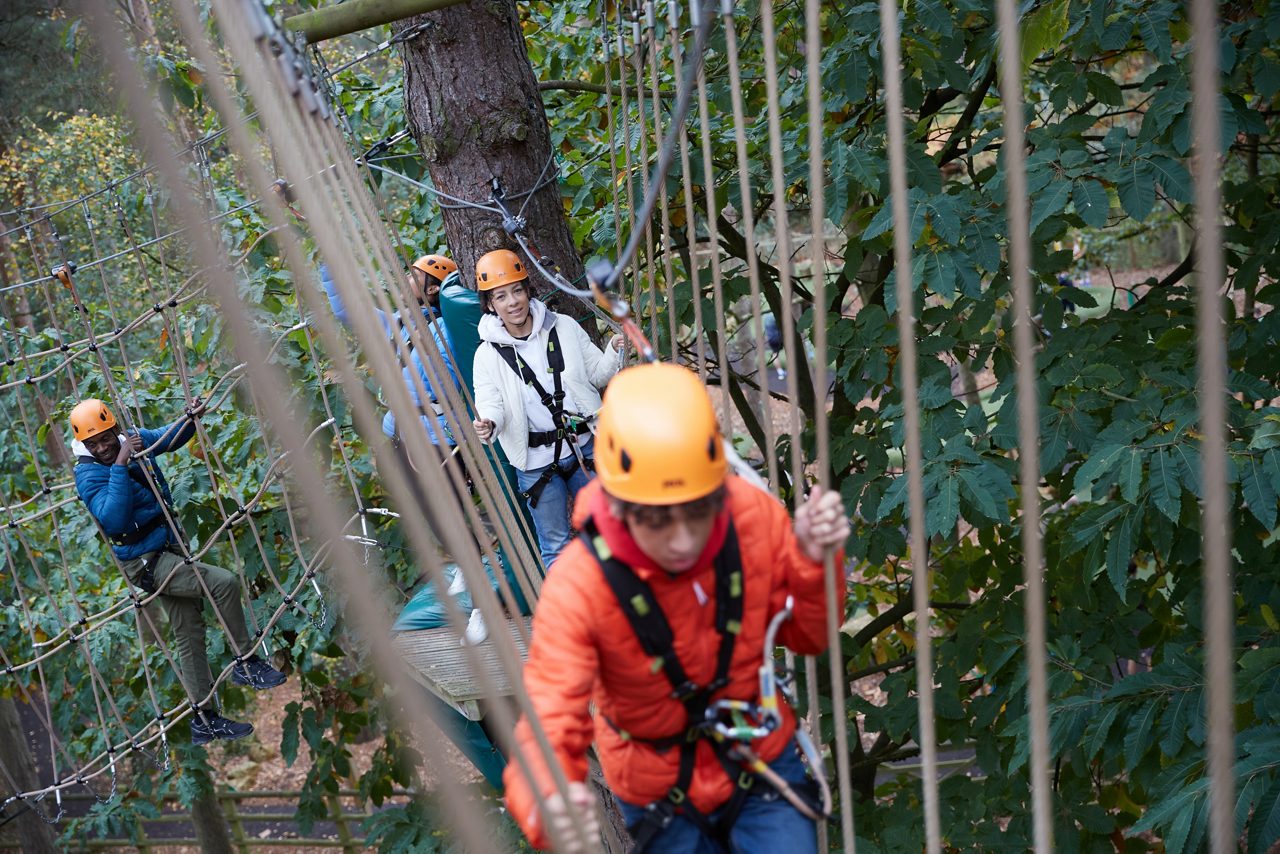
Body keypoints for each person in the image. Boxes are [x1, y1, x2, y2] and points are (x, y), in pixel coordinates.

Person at [502, 363, 850, 852]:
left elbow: (811, 636)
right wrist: (544, 799)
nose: (683, 539)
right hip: (657, 791)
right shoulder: (581, 584)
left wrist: (813, 564)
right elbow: (551, 711)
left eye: (697, 510)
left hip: (759, 760)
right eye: (658, 520)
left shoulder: (751, 519)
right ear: (619, 505)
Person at [70, 398, 286, 746]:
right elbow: (113, 519)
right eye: (93, 444)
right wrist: (121, 465)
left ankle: (204, 719)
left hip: (168, 547)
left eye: (106, 438)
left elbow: (166, 439)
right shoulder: (90, 474)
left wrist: (190, 418)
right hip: (146, 562)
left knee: (188, 630)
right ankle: (246, 662)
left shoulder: (131, 439)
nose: (103, 448)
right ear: (85, 445)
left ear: (114, 429)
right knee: (224, 583)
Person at [470, 249, 623, 571]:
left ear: (528, 291)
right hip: (537, 463)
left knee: (607, 533)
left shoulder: (563, 327)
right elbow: (490, 403)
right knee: (555, 546)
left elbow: (597, 374)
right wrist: (488, 424)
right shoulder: (487, 355)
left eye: (516, 290)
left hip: (584, 448)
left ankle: (619, 605)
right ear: (491, 304)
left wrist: (614, 349)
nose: (512, 302)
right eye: (501, 296)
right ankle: (570, 618)